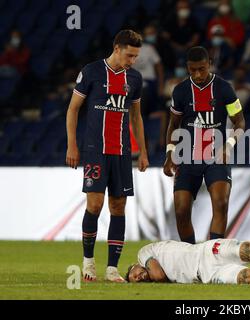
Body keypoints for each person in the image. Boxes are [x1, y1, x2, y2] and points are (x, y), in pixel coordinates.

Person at [65, 30, 149, 283]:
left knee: (118, 206)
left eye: (136, 57)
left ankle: (112, 267)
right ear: (117, 48)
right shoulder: (91, 72)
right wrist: (72, 145)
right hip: (94, 150)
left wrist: (143, 151)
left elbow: (136, 116)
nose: (132, 61)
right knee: (94, 204)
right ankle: (88, 262)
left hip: (122, 151)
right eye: (130, 55)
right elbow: (73, 109)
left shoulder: (134, 78)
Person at [163, 46, 245, 244]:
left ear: (209, 64)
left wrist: (229, 145)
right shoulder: (181, 91)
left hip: (216, 157)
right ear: (187, 69)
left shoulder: (224, 88)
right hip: (187, 156)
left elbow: (240, 122)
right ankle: (190, 255)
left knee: (220, 202)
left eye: (201, 69)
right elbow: (173, 124)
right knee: (181, 210)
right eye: (193, 70)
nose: (198, 74)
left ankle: (213, 255)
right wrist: (170, 154)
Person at [125, 238, 250, 284]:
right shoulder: (153, 277)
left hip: (207, 251)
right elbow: (156, 277)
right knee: (249, 277)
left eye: (134, 274)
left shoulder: (144, 253)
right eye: (136, 281)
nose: (139, 277)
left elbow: (158, 274)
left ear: (134, 266)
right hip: (207, 275)